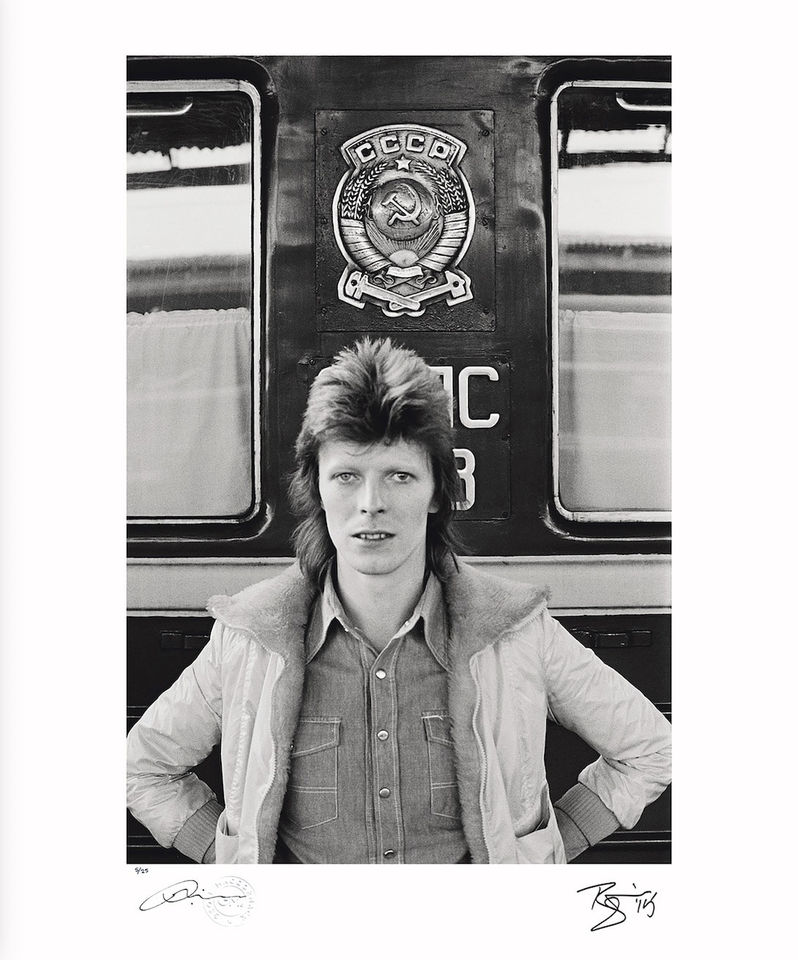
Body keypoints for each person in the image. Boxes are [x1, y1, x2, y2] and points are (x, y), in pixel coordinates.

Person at [127, 337, 671, 864]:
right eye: (346, 476)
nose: (371, 504)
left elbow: (649, 749)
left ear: (437, 490)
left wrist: (541, 856)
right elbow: (142, 769)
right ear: (316, 489)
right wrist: (227, 858)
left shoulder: (516, 632)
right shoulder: (250, 636)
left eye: (399, 476)